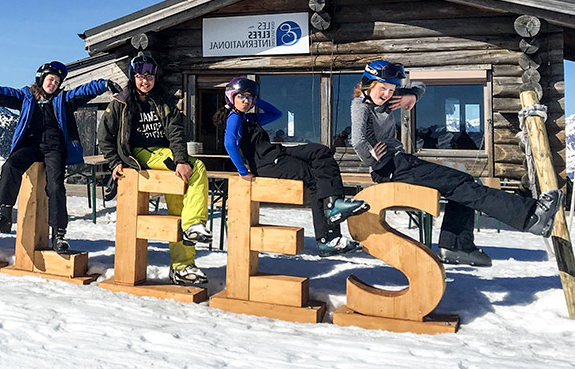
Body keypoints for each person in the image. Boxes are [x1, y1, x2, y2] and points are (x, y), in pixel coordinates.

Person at [351, 59, 561, 266]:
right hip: (391, 167)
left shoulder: (388, 101)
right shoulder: (361, 106)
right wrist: (374, 160)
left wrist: (411, 96)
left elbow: (420, 86)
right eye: (383, 88)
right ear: (369, 84)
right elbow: (358, 140)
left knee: (462, 182)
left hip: (401, 163)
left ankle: (456, 246)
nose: (387, 94)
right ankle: (530, 216)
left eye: (391, 89)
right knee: (460, 182)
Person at [0, 61, 116, 253]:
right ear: (41, 79)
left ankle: (59, 235)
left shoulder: (63, 99)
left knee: (55, 185)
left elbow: (84, 91)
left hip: (54, 147)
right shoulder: (26, 97)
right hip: (31, 145)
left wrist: (104, 84)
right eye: (50, 79)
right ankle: (4, 215)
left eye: (57, 81)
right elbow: (2, 92)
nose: (53, 84)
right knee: (11, 165)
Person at [214, 76, 369, 256]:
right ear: (231, 97)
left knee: (321, 151)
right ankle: (327, 239)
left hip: (276, 153)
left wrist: (256, 98)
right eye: (241, 97)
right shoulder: (234, 118)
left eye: (249, 98)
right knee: (314, 180)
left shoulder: (250, 118)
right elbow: (229, 144)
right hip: (267, 163)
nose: (247, 101)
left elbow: (276, 114)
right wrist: (243, 171)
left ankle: (334, 204)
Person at [98, 54, 214, 285]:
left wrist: (179, 158)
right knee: (197, 165)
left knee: (178, 208)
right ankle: (194, 224)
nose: (145, 81)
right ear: (133, 77)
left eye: (149, 77)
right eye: (141, 76)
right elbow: (105, 136)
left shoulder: (162, 100)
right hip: (139, 154)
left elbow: (175, 132)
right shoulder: (120, 102)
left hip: (164, 153)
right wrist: (114, 162)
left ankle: (182, 266)